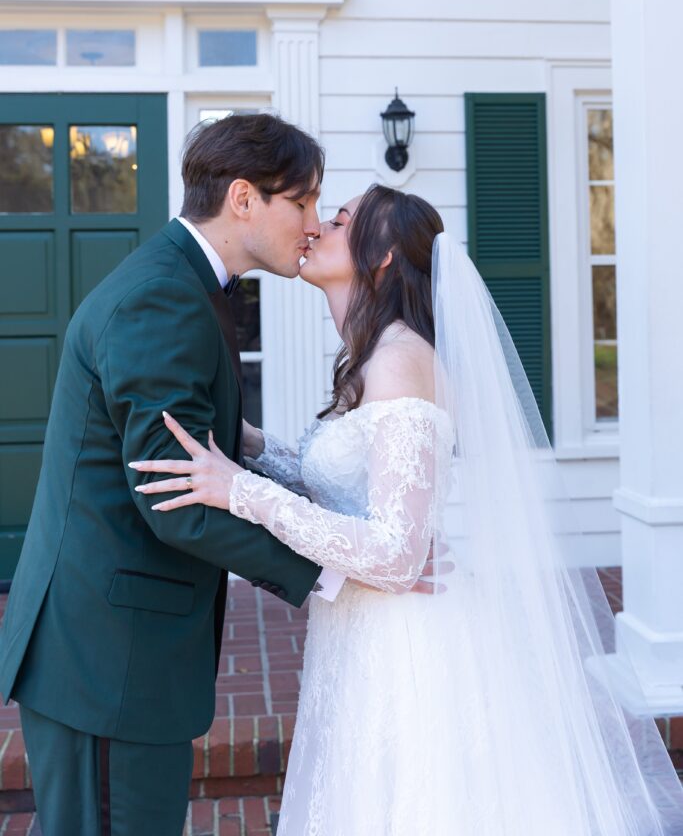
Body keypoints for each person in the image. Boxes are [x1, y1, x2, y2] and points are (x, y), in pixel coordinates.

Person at [136, 183, 683, 835]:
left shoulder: (399, 362)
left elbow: (396, 556)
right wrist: (250, 446)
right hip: (362, 631)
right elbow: (341, 490)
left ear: (385, 256)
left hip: (409, 646)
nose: (316, 227)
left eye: (338, 220)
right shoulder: (373, 355)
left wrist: (239, 491)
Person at [0, 116, 435, 836]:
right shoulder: (165, 297)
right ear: (242, 199)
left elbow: (198, 446)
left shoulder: (187, 285)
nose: (310, 223)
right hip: (107, 657)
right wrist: (335, 574)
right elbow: (174, 502)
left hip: (117, 652)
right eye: (302, 202)